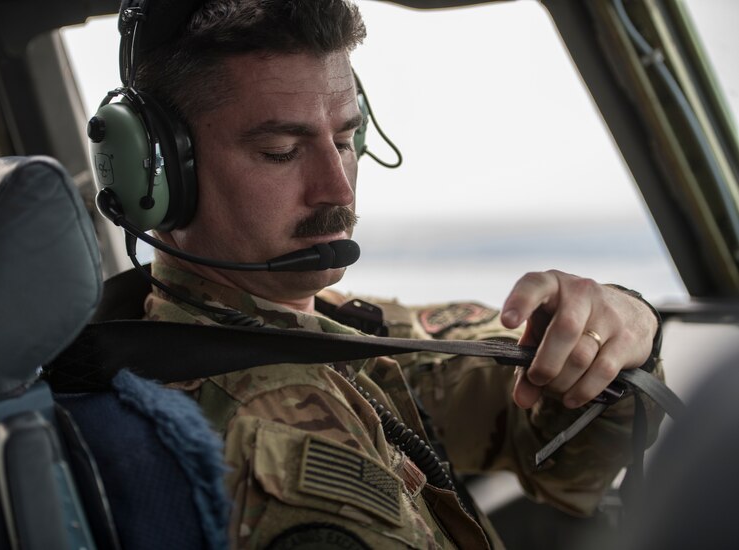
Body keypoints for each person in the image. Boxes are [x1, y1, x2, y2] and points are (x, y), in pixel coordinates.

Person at [127, 1, 665, 547]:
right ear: (158, 172)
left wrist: (620, 323)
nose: (337, 190)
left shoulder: (321, 332)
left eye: (343, 141)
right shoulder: (271, 437)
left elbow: (567, 459)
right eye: (281, 152)